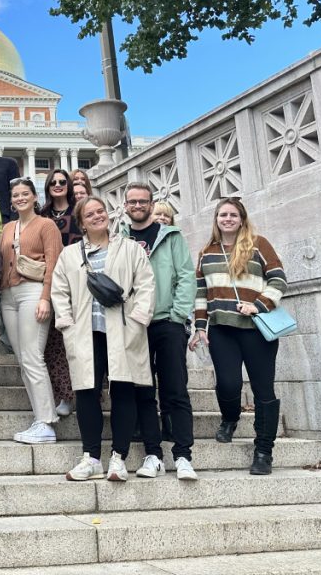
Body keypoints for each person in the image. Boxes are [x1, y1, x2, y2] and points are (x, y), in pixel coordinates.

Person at [52, 196, 157, 482]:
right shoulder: (70, 254)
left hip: (123, 329)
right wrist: (66, 322)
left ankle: (119, 457)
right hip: (86, 332)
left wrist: (138, 319)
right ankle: (91, 457)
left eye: (101, 211)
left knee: (123, 389)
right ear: (82, 223)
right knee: (87, 392)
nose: (98, 216)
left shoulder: (130, 248)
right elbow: (59, 290)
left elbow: (145, 284)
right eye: (90, 214)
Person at [190, 197, 287, 475]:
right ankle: (230, 418)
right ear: (216, 219)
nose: (228, 219)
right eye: (223, 215)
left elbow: (279, 279)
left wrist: (258, 305)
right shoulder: (207, 252)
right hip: (222, 330)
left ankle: (264, 451)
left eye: (233, 215)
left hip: (257, 329)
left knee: (264, 390)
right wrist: (200, 326)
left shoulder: (259, 244)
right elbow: (201, 293)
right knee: (228, 384)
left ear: (242, 219)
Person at [120, 183, 198, 480]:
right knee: (143, 390)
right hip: (135, 324)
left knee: (175, 389)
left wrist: (178, 315)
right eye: (132, 201)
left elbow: (186, 276)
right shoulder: (121, 239)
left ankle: (183, 455)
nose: (138, 206)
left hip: (167, 321)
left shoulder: (171, 236)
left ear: (152, 205)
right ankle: (153, 454)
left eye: (143, 201)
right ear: (125, 206)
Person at [0, 178, 63, 443]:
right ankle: (39, 417)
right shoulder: (7, 228)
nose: (20, 198)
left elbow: (54, 263)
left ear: (35, 197)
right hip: (8, 295)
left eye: (25, 193)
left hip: (33, 292)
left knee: (33, 356)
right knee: (23, 358)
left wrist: (46, 298)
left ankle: (46, 421)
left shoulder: (46, 225)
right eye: (16, 195)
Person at [41, 168, 79, 418]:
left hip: (75, 284)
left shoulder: (78, 212)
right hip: (48, 283)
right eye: (53, 182)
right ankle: (62, 394)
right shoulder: (42, 215)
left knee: (74, 342)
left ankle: (82, 394)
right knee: (52, 344)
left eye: (62, 181)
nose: (57, 185)